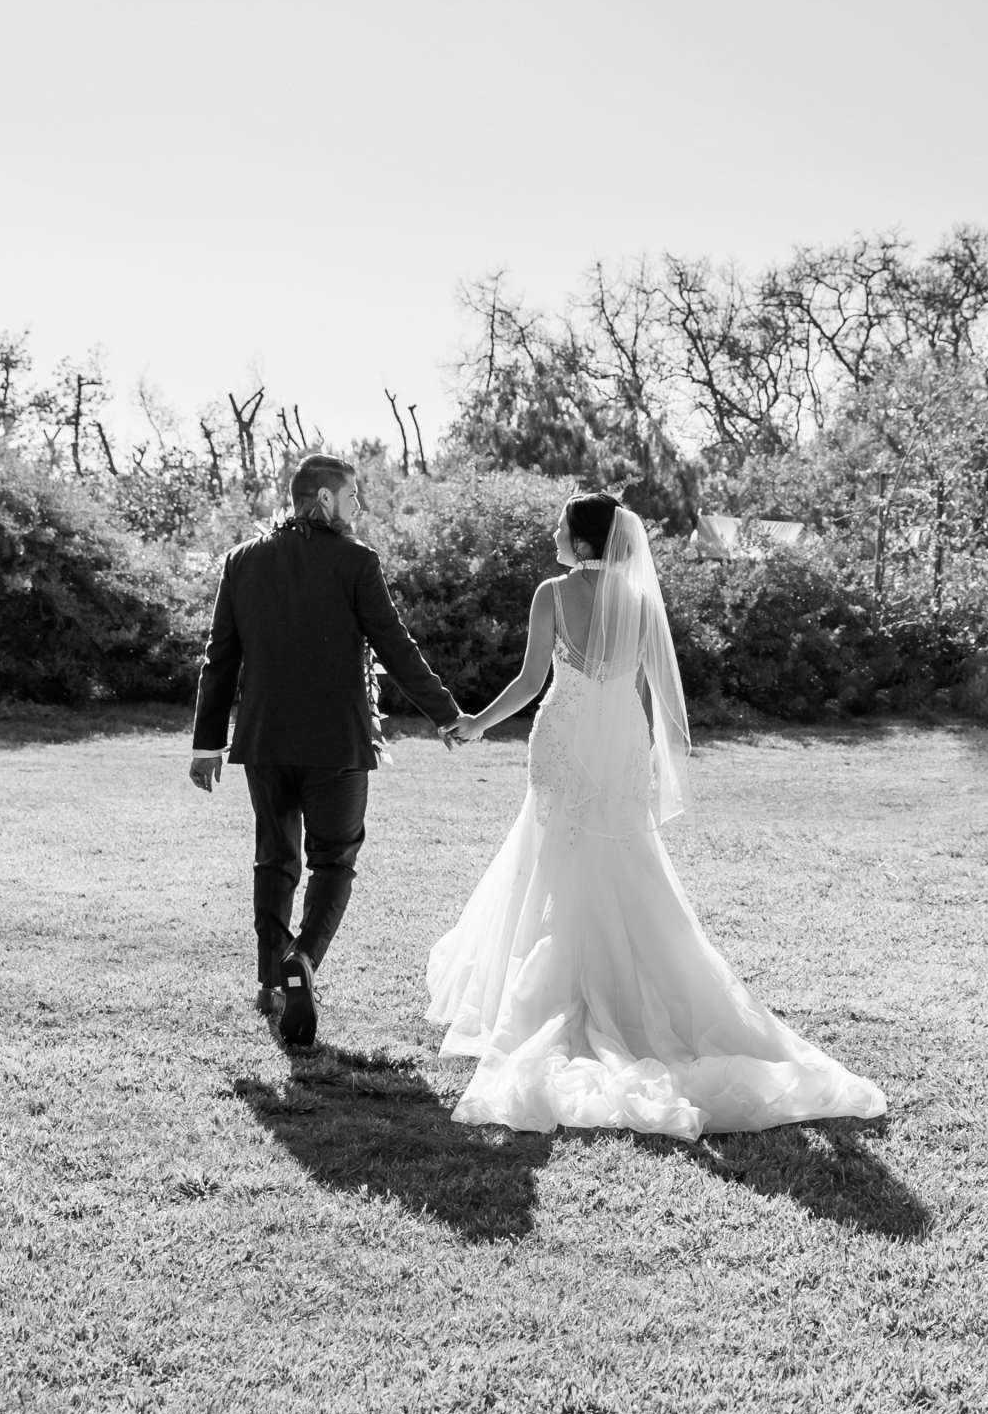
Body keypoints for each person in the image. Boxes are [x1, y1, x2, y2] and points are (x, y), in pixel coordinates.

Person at [427, 492, 886, 1137]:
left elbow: (532, 683)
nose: (554, 532)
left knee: (556, 857)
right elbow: (649, 690)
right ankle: (623, 986)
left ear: (582, 543)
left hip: (564, 735)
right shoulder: (640, 600)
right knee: (622, 857)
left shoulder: (552, 594)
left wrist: (477, 722)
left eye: (562, 525)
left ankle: (560, 996)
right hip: (619, 735)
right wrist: (639, 747)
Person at [189, 453, 460, 1045]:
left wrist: (208, 744)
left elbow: (220, 658)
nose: (358, 506)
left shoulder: (241, 561)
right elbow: (394, 644)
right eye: (352, 495)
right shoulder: (355, 561)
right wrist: (444, 714)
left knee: (274, 857)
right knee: (333, 860)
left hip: (264, 741)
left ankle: (269, 981)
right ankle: (303, 961)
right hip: (336, 741)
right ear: (324, 499)